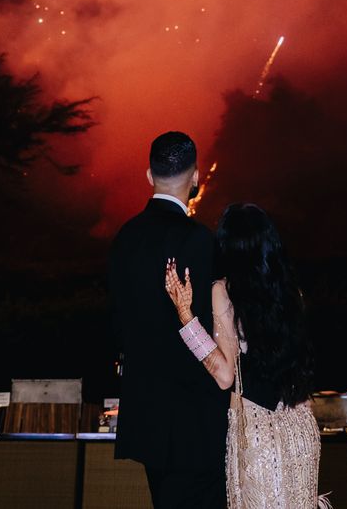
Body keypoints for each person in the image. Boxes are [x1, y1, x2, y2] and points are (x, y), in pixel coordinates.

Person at [165, 202, 323, 509]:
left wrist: (186, 318)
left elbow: (225, 376)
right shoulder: (292, 293)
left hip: (259, 437)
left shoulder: (224, 291)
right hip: (302, 431)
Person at [109, 131, 229, 509]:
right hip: (196, 420)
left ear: (149, 175)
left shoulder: (124, 239)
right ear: (196, 178)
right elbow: (216, 328)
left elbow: (118, 322)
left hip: (146, 414)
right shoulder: (200, 242)